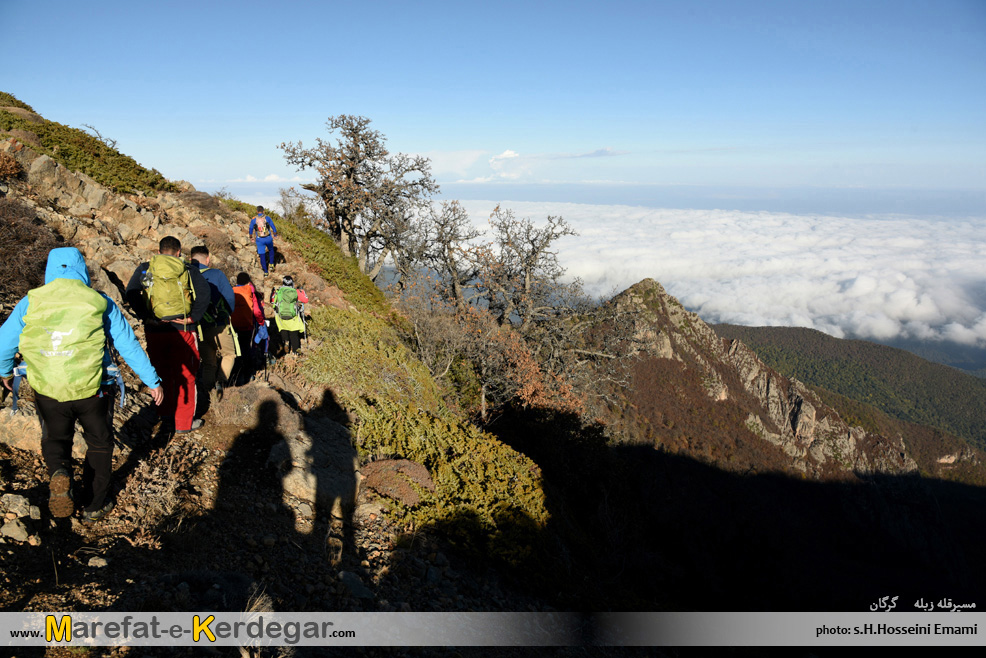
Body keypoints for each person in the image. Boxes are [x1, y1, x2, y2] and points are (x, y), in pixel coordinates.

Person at [0, 247, 164, 521]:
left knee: (55, 438)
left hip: (48, 387)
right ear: (81, 270)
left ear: (50, 271)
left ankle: (60, 474)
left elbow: (5, 341)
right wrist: (152, 381)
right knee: (99, 443)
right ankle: (93, 504)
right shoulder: (99, 301)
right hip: (93, 389)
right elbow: (128, 344)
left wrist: (5, 371)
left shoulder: (31, 301)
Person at [125, 236, 209, 433]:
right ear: (179, 252)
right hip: (183, 330)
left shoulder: (147, 269)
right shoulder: (188, 269)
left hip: (155, 329)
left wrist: (146, 316)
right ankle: (183, 423)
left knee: (161, 372)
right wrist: (192, 317)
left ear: (159, 251)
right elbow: (204, 293)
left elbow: (131, 292)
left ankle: (165, 415)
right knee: (187, 376)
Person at [189, 245, 236, 393]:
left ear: (191, 259)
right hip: (218, 324)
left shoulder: (186, 275)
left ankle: (207, 390)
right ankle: (221, 383)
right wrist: (226, 314)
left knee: (209, 362)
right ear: (207, 259)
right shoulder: (217, 274)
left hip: (197, 326)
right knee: (229, 354)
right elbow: (229, 298)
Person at [230, 272, 266, 384]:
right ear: (247, 282)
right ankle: (246, 375)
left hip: (233, 325)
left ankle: (233, 373)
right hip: (247, 325)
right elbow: (256, 311)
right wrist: (261, 322)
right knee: (246, 348)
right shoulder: (250, 292)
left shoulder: (231, 291)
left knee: (235, 349)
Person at [270, 275, 305, 355]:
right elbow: (305, 300)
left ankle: (286, 342)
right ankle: (296, 353)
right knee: (294, 335)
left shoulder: (279, 291)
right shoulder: (295, 291)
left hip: (282, 317)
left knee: (283, 328)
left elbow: (272, 302)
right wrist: (302, 292)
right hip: (293, 317)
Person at [248, 205, 278, 277]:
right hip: (268, 238)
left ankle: (265, 272)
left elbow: (250, 229)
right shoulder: (267, 218)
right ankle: (271, 264)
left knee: (262, 255)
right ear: (263, 211)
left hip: (259, 239)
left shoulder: (254, 219)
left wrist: (251, 237)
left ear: (257, 211)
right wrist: (275, 235)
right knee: (271, 249)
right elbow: (273, 227)